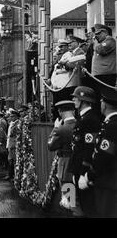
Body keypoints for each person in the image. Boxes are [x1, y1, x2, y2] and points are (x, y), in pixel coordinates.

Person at [85, 85, 117, 217]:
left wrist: (90, 174)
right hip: (107, 180)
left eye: (102, 101)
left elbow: (104, 154)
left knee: (105, 212)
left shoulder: (111, 126)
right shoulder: (109, 124)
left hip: (108, 181)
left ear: (105, 104)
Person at [68, 86, 100, 217]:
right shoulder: (83, 118)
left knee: (87, 206)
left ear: (84, 100)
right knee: (81, 203)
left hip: (83, 170)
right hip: (77, 167)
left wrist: (83, 173)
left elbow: (89, 148)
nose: (74, 99)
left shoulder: (90, 120)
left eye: (76, 97)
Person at [47, 100, 76, 212]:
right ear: (73, 111)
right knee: (75, 200)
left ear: (60, 112)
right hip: (77, 164)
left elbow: (50, 146)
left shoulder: (62, 129)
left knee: (69, 201)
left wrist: (55, 129)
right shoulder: (80, 124)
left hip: (66, 165)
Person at [91, 24, 116, 88]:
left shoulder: (110, 40)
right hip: (100, 75)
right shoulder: (101, 43)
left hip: (106, 75)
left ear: (105, 33)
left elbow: (101, 50)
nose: (96, 36)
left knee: (106, 95)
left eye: (98, 33)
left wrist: (95, 42)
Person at [3, 109, 20, 181]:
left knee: (12, 160)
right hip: (10, 143)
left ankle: (11, 175)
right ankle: (10, 174)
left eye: (12, 116)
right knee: (10, 159)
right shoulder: (12, 123)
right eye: (11, 116)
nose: (11, 118)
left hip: (13, 144)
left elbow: (14, 134)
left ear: (16, 117)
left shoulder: (17, 123)